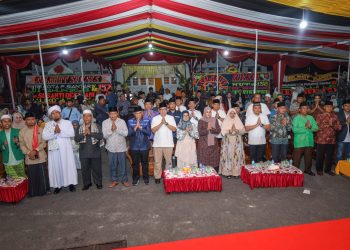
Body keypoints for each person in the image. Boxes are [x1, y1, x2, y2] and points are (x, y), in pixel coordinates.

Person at [42, 105, 78, 193]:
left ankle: (71, 183)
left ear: (60, 114)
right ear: (50, 116)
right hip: (54, 151)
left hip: (66, 149)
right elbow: (44, 136)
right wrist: (54, 132)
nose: (55, 115)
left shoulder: (67, 123)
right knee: (56, 166)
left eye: (56, 113)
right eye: (53, 114)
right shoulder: (48, 124)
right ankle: (58, 185)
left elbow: (71, 133)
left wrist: (60, 132)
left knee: (67, 165)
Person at [19, 112, 50, 197]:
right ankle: (33, 192)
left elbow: (44, 143)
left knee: (42, 174)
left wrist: (35, 150)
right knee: (32, 175)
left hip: (40, 155)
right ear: (25, 121)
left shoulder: (40, 129)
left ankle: (44, 190)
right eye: (28, 119)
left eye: (32, 119)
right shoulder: (22, 131)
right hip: (29, 157)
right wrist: (29, 152)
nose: (30, 121)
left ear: (35, 120)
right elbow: (21, 144)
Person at [75, 109, 103, 190]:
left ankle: (98, 183)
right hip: (83, 152)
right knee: (85, 169)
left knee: (97, 168)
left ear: (92, 117)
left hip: (95, 151)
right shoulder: (79, 128)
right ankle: (87, 183)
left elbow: (100, 136)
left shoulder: (97, 126)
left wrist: (91, 133)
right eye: (85, 116)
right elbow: (76, 139)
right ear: (82, 118)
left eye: (89, 116)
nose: (87, 117)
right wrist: (84, 134)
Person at [102, 107, 129, 188]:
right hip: (111, 147)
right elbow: (104, 135)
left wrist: (117, 130)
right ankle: (114, 180)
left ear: (117, 113)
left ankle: (124, 180)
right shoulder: (105, 122)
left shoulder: (122, 122)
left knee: (123, 165)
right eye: (111, 114)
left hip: (121, 147)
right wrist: (111, 130)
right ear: (108, 114)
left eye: (114, 113)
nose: (113, 115)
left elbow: (126, 133)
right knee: (112, 165)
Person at [151, 102, 177, 184]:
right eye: (161, 110)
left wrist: (166, 123)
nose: (163, 111)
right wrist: (161, 123)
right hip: (157, 144)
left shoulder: (171, 118)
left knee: (168, 162)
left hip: (168, 144)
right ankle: (157, 176)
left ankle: (167, 176)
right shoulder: (155, 118)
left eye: (164, 109)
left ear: (167, 110)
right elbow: (153, 130)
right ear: (158, 110)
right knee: (158, 162)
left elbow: (174, 129)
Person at [292, 102, 319, 176]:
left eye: (306, 108)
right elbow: (294, 130)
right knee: (296, 159)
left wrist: (310, 127)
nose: (305, 110)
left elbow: (316, 128)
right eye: (303, 108)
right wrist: (305, 127)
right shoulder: (296, 118)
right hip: (299, 142)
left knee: (309, 157)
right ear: (299, 110)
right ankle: (295, 172)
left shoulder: (310, 118)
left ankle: (308, 170)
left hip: (309, 141)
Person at [315, 101, 341, 176]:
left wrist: (332, 125)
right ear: (324, 107)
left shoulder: (335, 116)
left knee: (330, 155)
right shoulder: (320, 116)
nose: (329, 108)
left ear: (332, 108)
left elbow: (339, 127)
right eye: (327, 106)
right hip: (322, 139)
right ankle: (319, 169)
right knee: (320, 155)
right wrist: (325, 126)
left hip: (331, 140)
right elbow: (316, 127)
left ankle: (328, 170)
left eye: (330, 107)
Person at [127, 106, 151, 186]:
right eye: (136, 113)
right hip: (134, 146)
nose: (138, 115)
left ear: (142, 113)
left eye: (139, 113)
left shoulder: (146, 121)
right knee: (135, 164)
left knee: (145, 163)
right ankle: (135, 178)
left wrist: (141, 128)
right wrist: (134, 128)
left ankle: (145, 177)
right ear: (134, 114)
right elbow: (129, 134)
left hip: (144, 146)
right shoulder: (130, 121)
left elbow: (149, 133)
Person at [219, 108, 246, 179]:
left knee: (237, 156)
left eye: (234, 113)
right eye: (230, 113)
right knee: (228, 156)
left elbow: (243, 131)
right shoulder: (225, 121)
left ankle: (236, 173)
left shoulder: (238, 120)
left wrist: (237, 130)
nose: (232, 115)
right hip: (228, 141)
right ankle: (227, 173)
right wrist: (229, 131)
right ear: (228, 114)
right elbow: (222, 132)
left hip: (237, 141)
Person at [0, 114, 25, 179]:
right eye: (4, 121)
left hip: (18, 159)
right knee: (12, 180)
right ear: (1, 123)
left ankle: (24, 189)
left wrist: (18, 143)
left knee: (22, 178)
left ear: (11, 122)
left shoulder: (17, 131)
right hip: (7, 161)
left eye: (8, 121)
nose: (7, 123)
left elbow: (24, 144)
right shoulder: (0, 134)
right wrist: (3, 146)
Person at [197, 107, 221, 172]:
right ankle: (204, 176)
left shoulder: (214, 120)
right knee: (204, 162)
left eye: (209, 112)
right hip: (204, 145)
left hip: (213, 145)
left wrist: (212, 129)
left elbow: (218, 130)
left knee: (213, 162)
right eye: (207, 112)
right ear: (204, 113)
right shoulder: (201, 121)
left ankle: (213, 176)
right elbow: (200, 132)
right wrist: (207, 129)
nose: (208, 113)